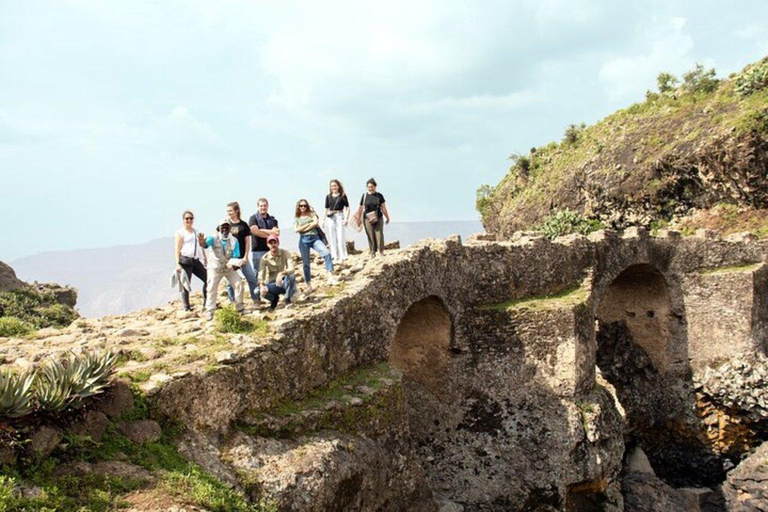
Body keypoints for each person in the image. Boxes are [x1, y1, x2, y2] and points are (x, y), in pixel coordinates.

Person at [199, 219, 244, 320]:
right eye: (223, 227)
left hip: (228, 268)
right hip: (215, 268)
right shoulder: (213, 238)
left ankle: (240, 307)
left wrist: (235, 265)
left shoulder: (234, 241)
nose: (225, 229)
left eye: (227, 227)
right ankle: (210, 311)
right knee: (211, 288)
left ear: (230, 228)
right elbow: (205, 244)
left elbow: (236, 256)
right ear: (219, 228)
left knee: (238, 284)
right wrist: (202, 243)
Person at [294, 199, 336, 292]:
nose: (303, 207)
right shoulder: (297, 218)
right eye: (301, 206)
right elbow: (296, 229)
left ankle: (331, 276)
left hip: (314, 238)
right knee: (306, 263)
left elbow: (315, 223)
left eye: (305, 205)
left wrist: (303, 228)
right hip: (303, 240)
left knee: (326, 253)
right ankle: (309, 284)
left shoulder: (312, 213)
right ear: (298, 207)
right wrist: (308, 225)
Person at [225, 201, 258, 305]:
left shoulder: (243, 225)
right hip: (230, 258)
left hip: (242, 257)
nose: (229, 213)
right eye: (227, 211)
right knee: (229, 282)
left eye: (230, 211)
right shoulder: (225, 224)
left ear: (236, 211)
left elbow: (247, 241)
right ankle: (233, 302)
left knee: (251, 278)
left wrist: (245, 256)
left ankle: (256, 300)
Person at [174, 210, 207, 311]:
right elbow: (177, 249)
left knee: (208, 279)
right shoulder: (180, 233)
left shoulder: (196, 232)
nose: (189, 220)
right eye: (187, 219)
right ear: (183, 220)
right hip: (185, 261)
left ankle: (206, 303)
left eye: (191, 218)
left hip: (196, 260)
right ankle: (186, 307)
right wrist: (178, 264)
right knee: (185, 284)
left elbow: (201, 246)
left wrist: (205, 258)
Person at [248, 198, 280, 301]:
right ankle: (256, 299)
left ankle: (272, 296)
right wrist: (270, 232)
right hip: (258, 250)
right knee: (257, 274)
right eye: (261, 206)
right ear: (258, 206)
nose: (263, 207)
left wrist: (261, 230)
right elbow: (255, 231)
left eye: (265, 205)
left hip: (271, 250)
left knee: (273, 273)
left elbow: (277, 233)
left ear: (268, 206)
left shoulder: (273, 219)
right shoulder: (253, 218)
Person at [259, 235, 297, 311]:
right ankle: (274, 300)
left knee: (291, 276)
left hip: (284, 282)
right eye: (271, 243)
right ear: (267, 245)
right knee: (257, 291)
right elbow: (261, 275)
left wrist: (281, 274)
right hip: (273, 284)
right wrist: (262, 286)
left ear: (278, 243)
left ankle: (287, 299)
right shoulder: (264, 258)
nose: (273, 245)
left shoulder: (285, 253)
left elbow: (291, 268)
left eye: (274, 242)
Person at [355, 178, 390, 257]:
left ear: (375, 187)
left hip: (378, 217)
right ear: (367, 187)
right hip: (367, 218)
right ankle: (372, 252)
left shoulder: (379, 196)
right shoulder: (364, 196)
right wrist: (358, 219)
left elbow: (383, 208)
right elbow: (360, 208)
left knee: (379, 234)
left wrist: (387, 217)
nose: (370, 188)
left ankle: (381, 251)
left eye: (372, 187)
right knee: (370, 234)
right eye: (369, 187)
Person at [324, 179, 350, 264]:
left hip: (340, 216)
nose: (334, 187)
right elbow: (326, 208)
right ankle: (334, 256)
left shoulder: (343, 196)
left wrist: (346, 218)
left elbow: (347, 207)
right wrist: (324, 219)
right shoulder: (328, 196)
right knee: (332, 237)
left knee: (341, 236)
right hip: (331, 217)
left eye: (335, 185)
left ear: (338, 186)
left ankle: (343, 256)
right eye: (332, 186)